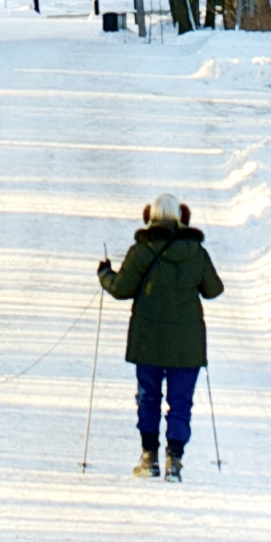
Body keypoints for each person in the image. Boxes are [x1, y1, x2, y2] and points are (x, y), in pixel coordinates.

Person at [98, 199, 223, 477]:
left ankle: (149, 458)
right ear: (181, 220)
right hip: (187, 344)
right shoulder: (196, 252)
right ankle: (175, 461)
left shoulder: (141, 251)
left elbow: (121, 288)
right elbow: (213, 290)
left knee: (148, 397)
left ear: (150, 219)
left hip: (148, 340)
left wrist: (104, 274)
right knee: (180, 402)